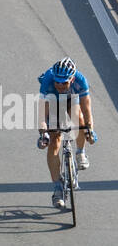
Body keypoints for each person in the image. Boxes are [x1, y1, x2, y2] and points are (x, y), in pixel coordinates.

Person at [37, 56, 96, 208]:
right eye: (57, 81)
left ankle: (80, 152)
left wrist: (90, 129)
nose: (59, 85)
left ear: (72, 79)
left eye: (64, 82)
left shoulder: (81, 80)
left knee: (80, 120)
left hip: (72, 100)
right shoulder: (48, 80)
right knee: (54, 139)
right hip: (53, 101)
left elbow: (86, 108)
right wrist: (43, 131)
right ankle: (57, 187)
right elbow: (42, 111)